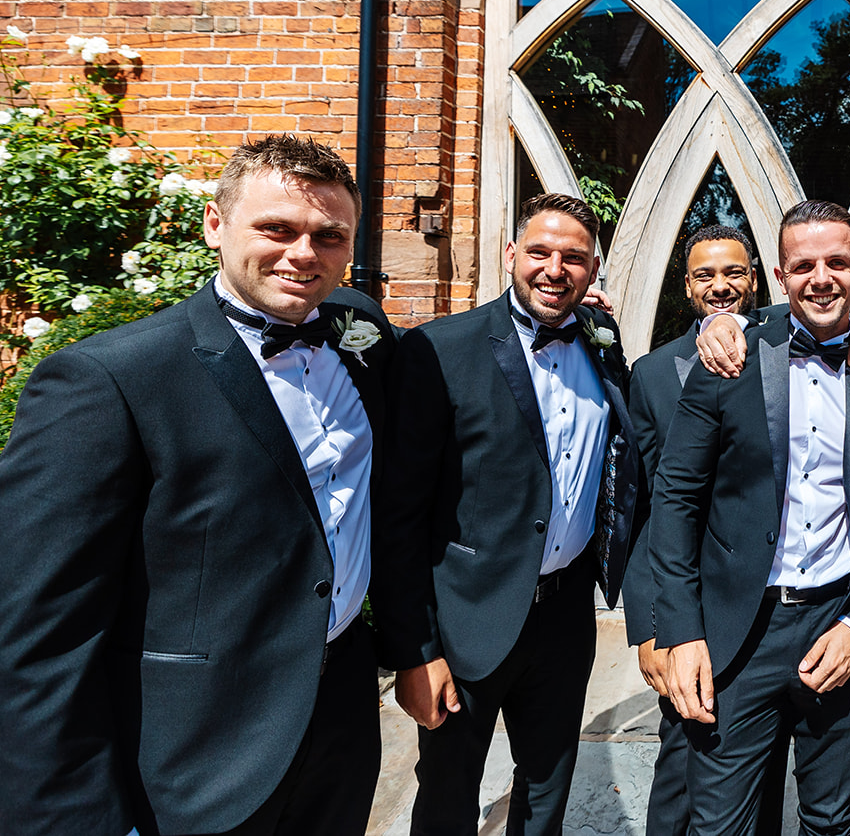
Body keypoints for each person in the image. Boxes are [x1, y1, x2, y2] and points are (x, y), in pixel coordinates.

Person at [0, 135, 393, 836]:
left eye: (329, 236)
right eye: (276, 228)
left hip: (339, 725)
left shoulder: (362, 334)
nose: (304, 253)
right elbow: (36, 632)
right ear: (215, 225)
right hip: (193, 759)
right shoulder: (108, 379)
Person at [372, 192, 642, 836]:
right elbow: (399, 514)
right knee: (448, 791)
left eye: (573, 258)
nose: (555, 269)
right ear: (509, 254)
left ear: (593, 269)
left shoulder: (602, 345)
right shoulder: (439, 349)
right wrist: (416, 650)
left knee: (548, 784)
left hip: (568, 612)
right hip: (469, 614)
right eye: (541, 252)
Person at [650, 199, 850, 836]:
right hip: (739, 629)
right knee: (721, 824)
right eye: (804, 266)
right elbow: (675, 496)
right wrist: (681, 630)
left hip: (836, 619)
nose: (821, 278)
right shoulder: (728, 360)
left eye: (836, 263)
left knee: (829, 818)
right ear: (779, 271)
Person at [625, 224, 788, 836]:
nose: (720, 286)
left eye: (734, 273)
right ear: (687, 286)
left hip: (770, 598)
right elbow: (647, 509)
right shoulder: (653, 374)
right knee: (684, 760)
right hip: (694, 601)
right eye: (704, 275)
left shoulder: (788, 346)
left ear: (755, 278)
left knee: (760, 766)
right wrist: (650, 625)